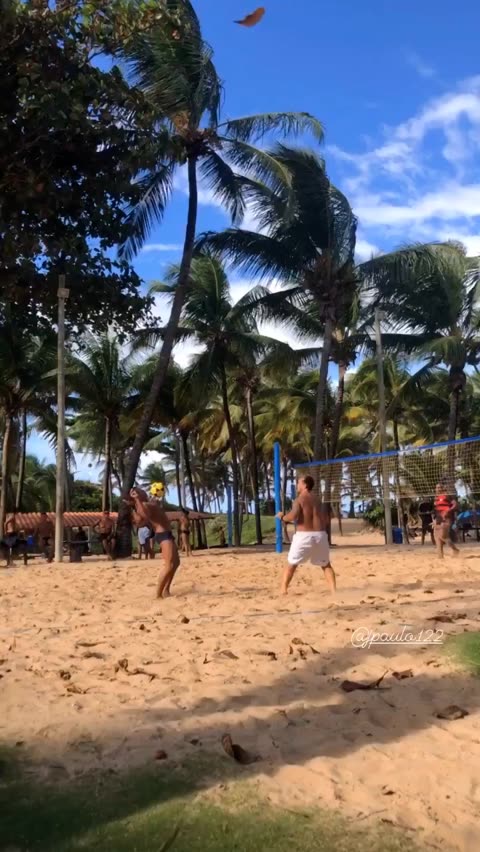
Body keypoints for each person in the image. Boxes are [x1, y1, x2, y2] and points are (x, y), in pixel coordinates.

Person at [276, 475, 336, 596]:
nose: (297, 485)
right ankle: (334, 591)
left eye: (299, 482)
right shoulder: (318, 500)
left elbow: (293, 516)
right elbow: (327, 518)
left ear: (305, 485)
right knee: (325, 564)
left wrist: (282, 517)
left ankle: (283, 590)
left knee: (292, 564)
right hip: (320, 535)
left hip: (304, 536)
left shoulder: (300, 499)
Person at [128, 487, 180, 598]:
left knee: (176, 563)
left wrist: (155, 499)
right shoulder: (143, 505)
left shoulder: (147, 504)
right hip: (163, 535)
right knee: (169, 565)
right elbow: (144, 517)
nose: (143, 491)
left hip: (167, 534)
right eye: (140, 491)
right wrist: (137, 499)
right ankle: (158, 595)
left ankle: (166, 590)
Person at [434, 484, 459, 558]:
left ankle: (455, 549)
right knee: (437, 537)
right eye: (437, 487)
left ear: (442, 488)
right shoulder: (436, 497)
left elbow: (455, 504)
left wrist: (448, 510)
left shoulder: (447, 495)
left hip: (446, 518)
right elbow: (436, 509)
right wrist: (434, 519)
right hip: (438, 518)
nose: (438, 489)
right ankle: (440, 556)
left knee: (443, 536)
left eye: (439, 487)